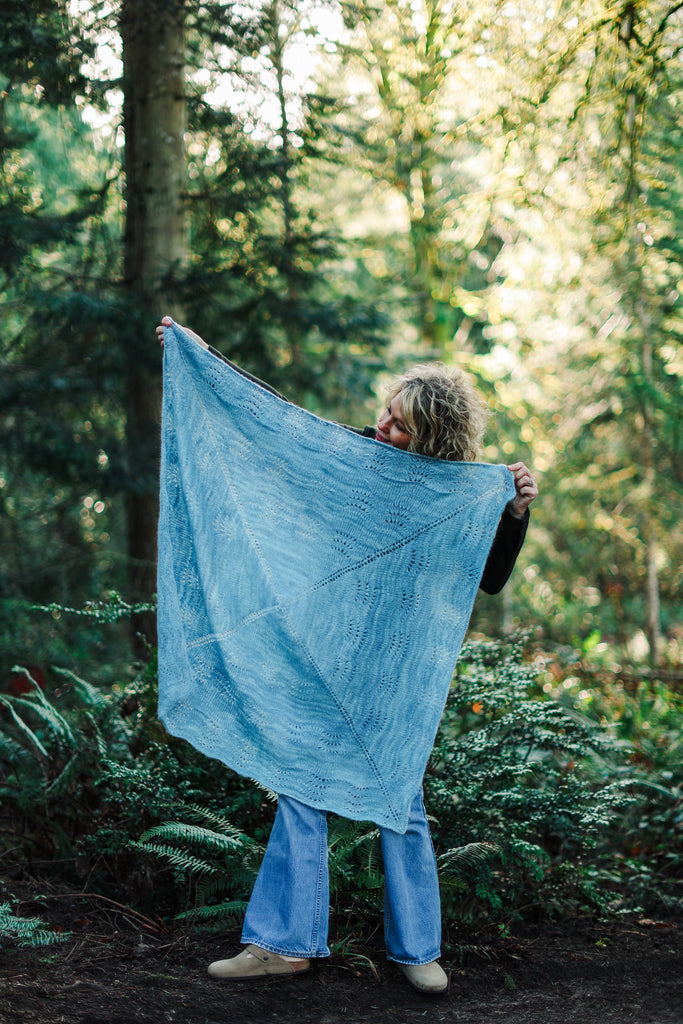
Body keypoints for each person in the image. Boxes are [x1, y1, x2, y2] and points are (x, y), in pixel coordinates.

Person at [156, 316, 538, 993]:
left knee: (400, 798)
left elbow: (490, 577)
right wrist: (203, 362)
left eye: (399, 427)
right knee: (302, 787)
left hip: (393, 674)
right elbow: (276, 431)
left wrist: (509, 514)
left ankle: (416, 949)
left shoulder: (453, 496)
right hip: (320, 652)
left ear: (433, 441)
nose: (383, 430)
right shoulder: (353, 458)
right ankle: (283, 943)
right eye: (386, 415)